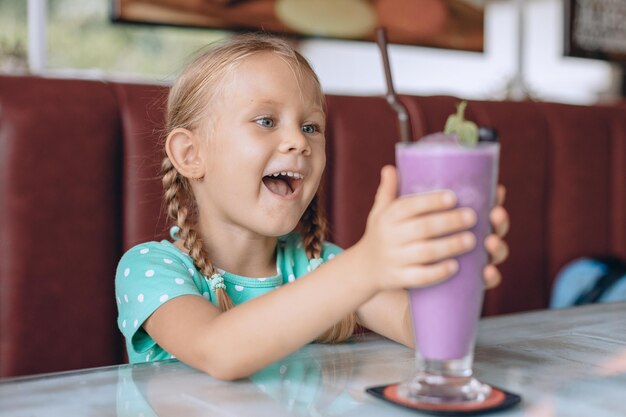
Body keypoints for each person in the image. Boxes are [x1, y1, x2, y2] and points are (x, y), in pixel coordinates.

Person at [115, 33, 510, 381]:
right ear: (190, 154)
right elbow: (219, 351)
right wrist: (365, 266)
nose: (299, 142)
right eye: (267, 121)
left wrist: (449, 263)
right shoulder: (151, 270)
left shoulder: (320, 264)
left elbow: (421, 332)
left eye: (310, 127)